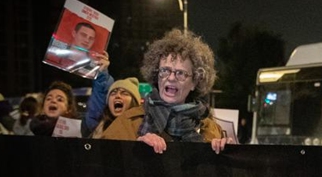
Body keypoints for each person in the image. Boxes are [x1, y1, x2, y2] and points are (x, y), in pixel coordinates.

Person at [99, 28, 231, 154]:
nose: (171, 78)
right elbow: (99, 165)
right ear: (156, 74)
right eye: (165, 70)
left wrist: (225, 156)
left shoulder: (210, 129)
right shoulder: (128, 122)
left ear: (195, 82)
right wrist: (134, 151)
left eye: (181, 73)